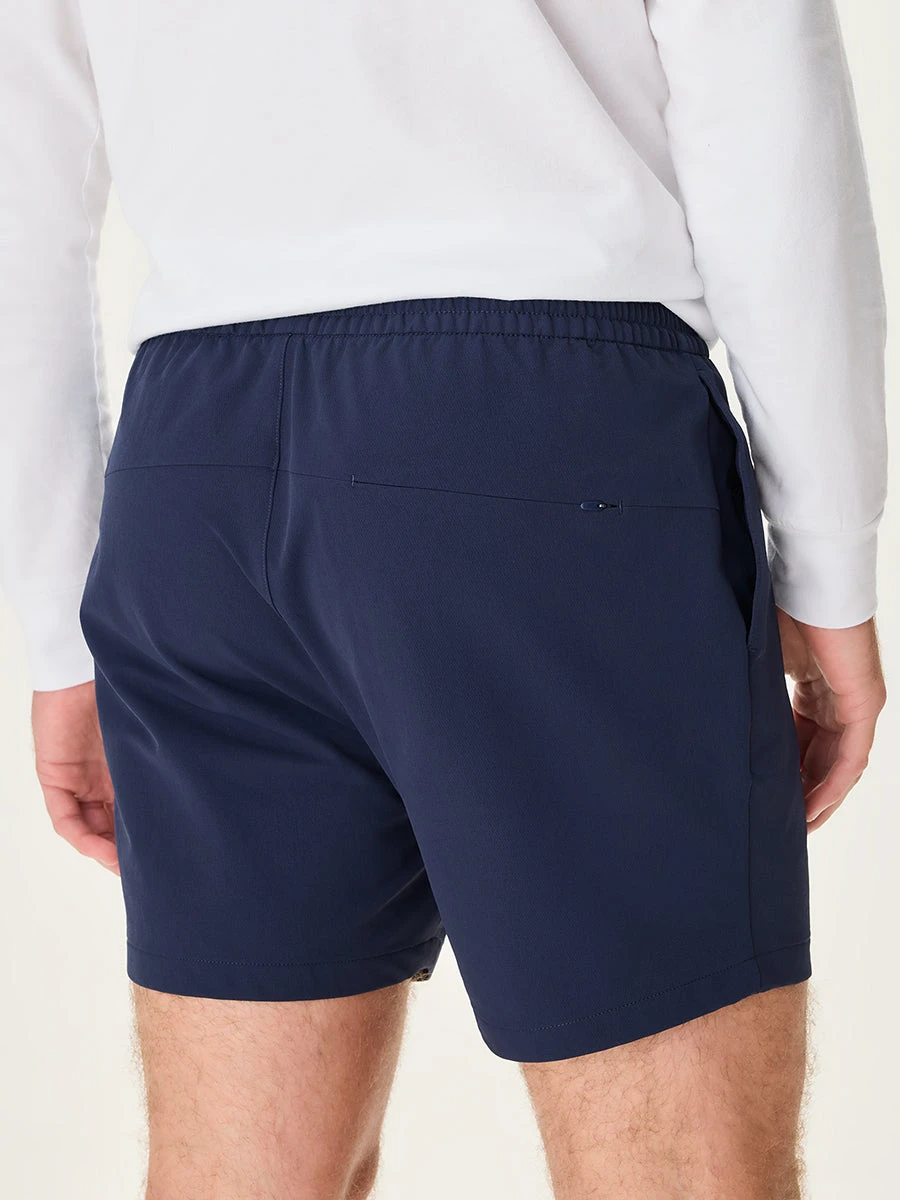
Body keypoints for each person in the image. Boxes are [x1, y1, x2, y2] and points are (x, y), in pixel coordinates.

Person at [1, 2, 887, 1197]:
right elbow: (760, 81)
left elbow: (22, 182)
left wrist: (63, 624)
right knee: (678, 1173)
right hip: (546, 433)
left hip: (196, 471)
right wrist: (826, 557)